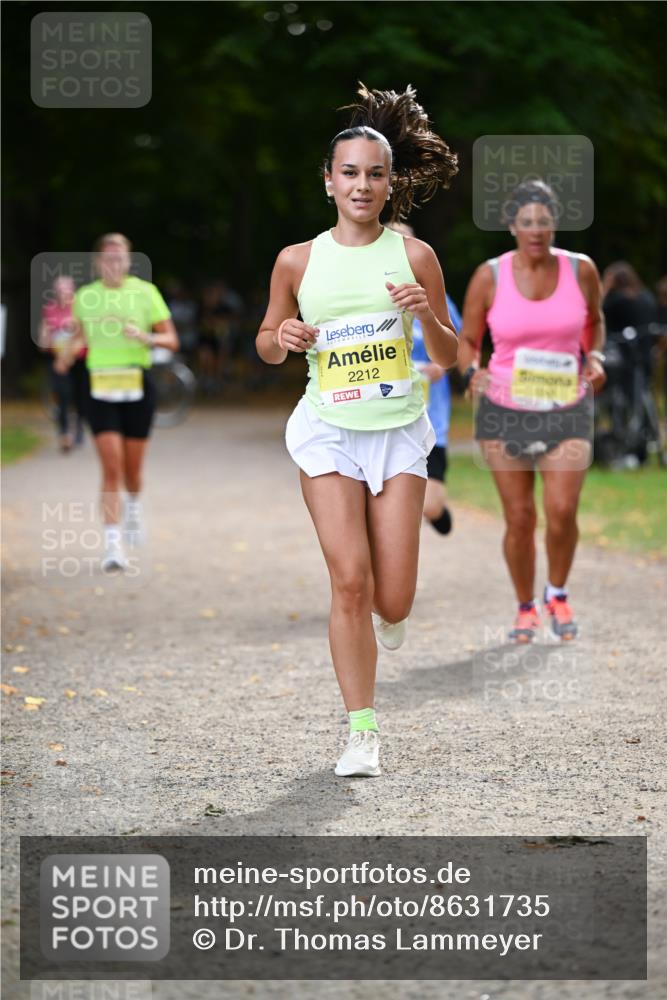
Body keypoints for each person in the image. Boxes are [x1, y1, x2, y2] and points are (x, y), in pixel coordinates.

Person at [256, 84, 459, 777]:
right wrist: (281, 335)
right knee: (349, 581)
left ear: (389, 182)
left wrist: (425, 313)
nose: (362, 185)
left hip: (398, 430)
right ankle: (361, 734)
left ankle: (388, 620)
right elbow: (265, 341)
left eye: (374, 174)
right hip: (328, 431)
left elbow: (452, 354)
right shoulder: (297, 260)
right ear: (328, 181)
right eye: (349, 172)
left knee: (391, 597)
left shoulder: (416, 258)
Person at [457, 180, 606, 643]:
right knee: (519, 517)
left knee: (561, 509)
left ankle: (557, 593)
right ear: (512, 226)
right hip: (504, 408)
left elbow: (595, 322)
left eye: (544, 221)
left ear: (555, 224)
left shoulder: (581, 270)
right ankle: (525, 606)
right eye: (527, 222)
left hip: (567, 405)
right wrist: (471, 373)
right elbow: (467, 341)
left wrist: (595, 356)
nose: (536, 230)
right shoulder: (490, 276)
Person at [54, 233, 178, 572]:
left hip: (137, 383)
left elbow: (172, 340)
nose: (114, 263)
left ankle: (134, 506)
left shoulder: (145, 292)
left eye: (120, 257)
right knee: (111, 466)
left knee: (132, 471)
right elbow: (79, 334)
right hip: (100, 386)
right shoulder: (85, 296)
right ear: (97, 263)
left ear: (129, 260)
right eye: (107, 258)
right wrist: (66, 354)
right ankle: (113, 545)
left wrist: (146, 336)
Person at [389, 221, 461, 534]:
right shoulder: (368, 299)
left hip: (432, 418)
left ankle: (436, 511)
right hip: (387, 416)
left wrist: (440, 368)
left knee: (429, 507)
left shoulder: (434, 295)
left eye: (408, 242)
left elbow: (455, 345)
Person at [38, 275, 88, 451]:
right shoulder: (49, 310)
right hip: (58, 360)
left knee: (81, 396)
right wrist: (46, 338)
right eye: (59, 290)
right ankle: (64, 433)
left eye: (66, 290)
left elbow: (85, 335)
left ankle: (80, 429)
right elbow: (43, 341)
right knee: (62, 395)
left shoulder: (80, 309)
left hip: (80, 359)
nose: (63, 294)